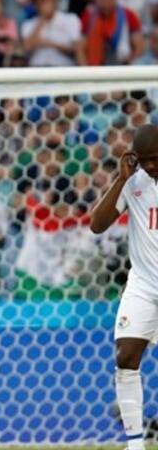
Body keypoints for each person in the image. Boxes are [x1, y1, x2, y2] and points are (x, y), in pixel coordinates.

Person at [89, 124, 158, 450]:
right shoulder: (134, 185)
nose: (152, 166)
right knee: (126, 356)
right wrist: (121, 178)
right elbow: (98, 225)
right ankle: (135, 444)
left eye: (156, 158)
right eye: (145, 160)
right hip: (143, 286)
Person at [78, 0, 144, 66]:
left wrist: (127, 67)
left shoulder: (129, 15)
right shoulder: (88, 16)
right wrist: (86, 72)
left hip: (121, 66)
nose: (106, 2)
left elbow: (139, 47)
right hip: (94, 69)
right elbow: (80, 48)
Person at [21, 0, 81, 67]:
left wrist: (49, 44)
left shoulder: (71, 19)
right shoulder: (28, 24)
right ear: (35, 3)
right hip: (37, 70)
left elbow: (76, 50)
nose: (47, 4)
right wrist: (42, 19)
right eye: (42, 0)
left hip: (63, 69)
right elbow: (26, 48)